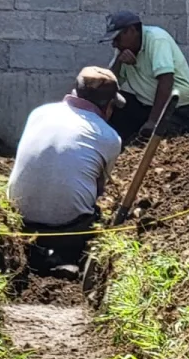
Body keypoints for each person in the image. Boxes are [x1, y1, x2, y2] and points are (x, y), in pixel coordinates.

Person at [7, 68, 125, 269]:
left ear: (74, 91)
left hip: (19, 220)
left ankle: (34, 254)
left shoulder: (39, 113)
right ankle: (68, 258)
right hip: (69, 230)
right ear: (108, 107)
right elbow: (99, 189)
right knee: (95, 211)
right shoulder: (109, 137)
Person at [103, 11, 189, 146]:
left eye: (116, 39)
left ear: (132, 31)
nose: (114, 44)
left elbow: (166, 81)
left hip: (178, 110)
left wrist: (153, 122)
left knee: (151, 148)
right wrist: (119, 61)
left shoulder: (157, 39)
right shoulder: (123, 48)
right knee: (114, 102)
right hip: (146, 105)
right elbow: (109, 83)